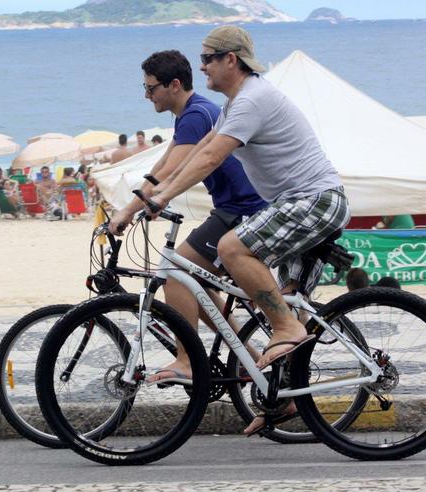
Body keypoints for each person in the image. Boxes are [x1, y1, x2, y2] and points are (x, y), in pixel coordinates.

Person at [144, 27, 349, 436]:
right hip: (293, 204)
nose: (200, 65)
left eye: (207, 58)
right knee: (285, 301)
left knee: (233, 248)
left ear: (230, 60)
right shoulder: (235, 103)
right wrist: (160, 190)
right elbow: (202, 150)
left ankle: (285, 328)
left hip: (315, 199)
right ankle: (284, 399)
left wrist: (163, 196)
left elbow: (212, 159)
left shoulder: (253, 99)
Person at [109, 49, 267, 384]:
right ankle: (252, 359)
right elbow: (160, 168)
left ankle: (187, 360)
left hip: (242, 210)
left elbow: (170, 171)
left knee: (177, 272)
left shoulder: (197, 114)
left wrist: (129, 210)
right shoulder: (191, 115)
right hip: (234, 208)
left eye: (151, 88)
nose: (147, 95)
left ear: (174, 85)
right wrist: (139, 201)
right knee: (195, 282)